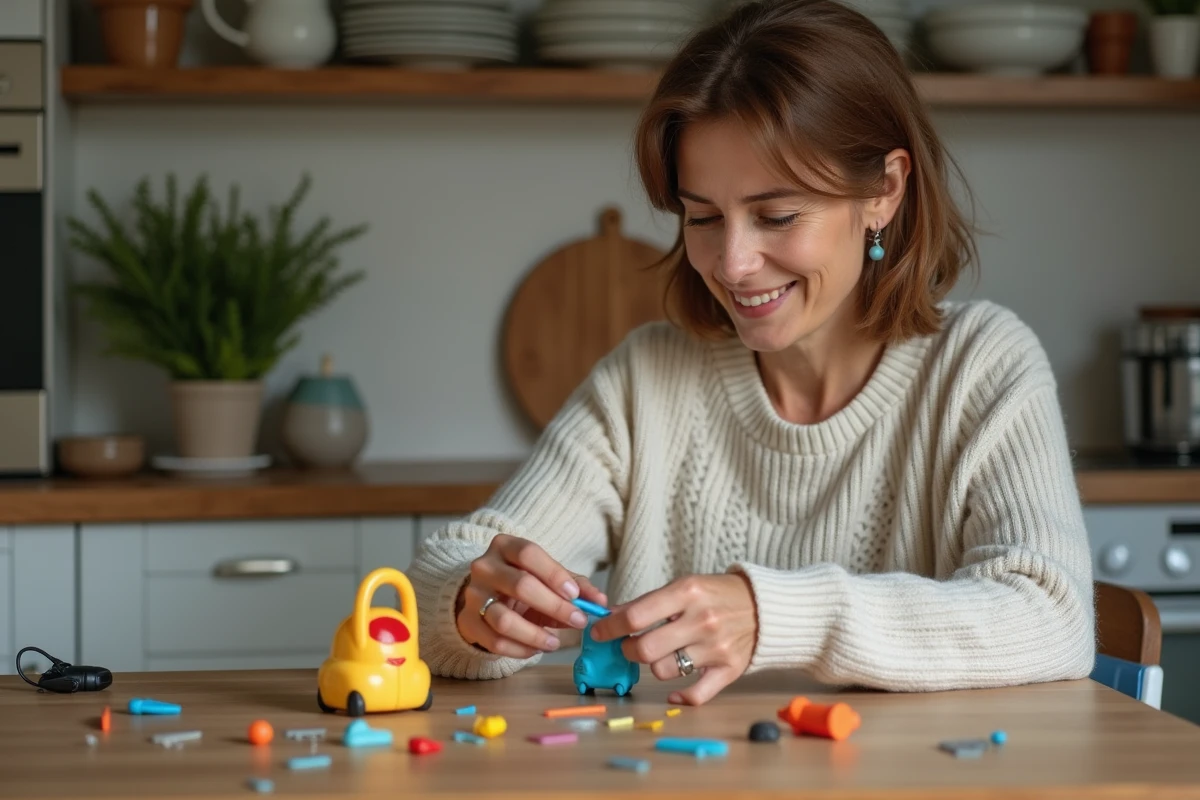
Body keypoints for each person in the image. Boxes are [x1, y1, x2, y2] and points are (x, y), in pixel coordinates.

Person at [407, 0, 1095, 706]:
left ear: (884, 191)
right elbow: (446, 571)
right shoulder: (647, 381)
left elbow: (1052, 616)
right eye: (702, 217)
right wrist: (470, 603)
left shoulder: (983, 367)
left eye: (776, 215)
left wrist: (774, 615)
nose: (731, 263)